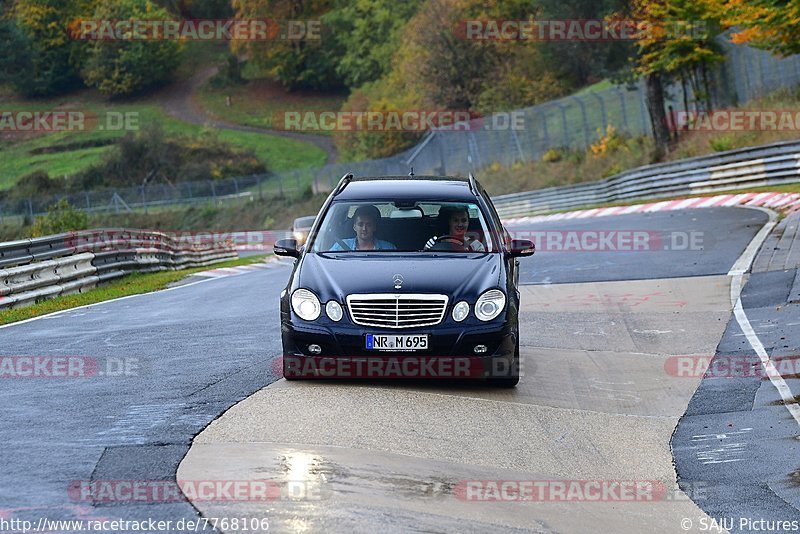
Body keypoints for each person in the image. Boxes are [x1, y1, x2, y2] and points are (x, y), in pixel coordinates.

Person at [330, 205, 397, 251]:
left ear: (374, 227)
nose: (364, 228)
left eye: (368, 225)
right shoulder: (340, 247)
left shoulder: (389, 248)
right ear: (354, 227)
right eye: (360, 224)